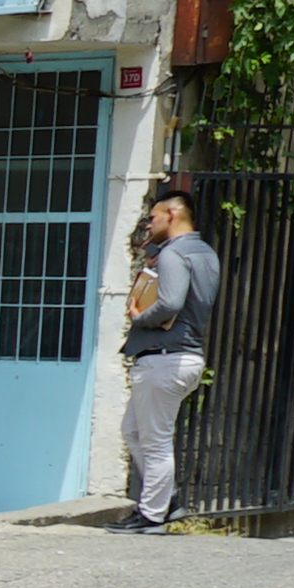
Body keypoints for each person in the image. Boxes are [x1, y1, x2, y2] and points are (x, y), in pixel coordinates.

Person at [116, 183, 219, 535]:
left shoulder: (175, 254)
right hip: (184, 357)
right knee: (133, 431)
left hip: (165, 358)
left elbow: (171, 303)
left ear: (172, 214)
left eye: (154, 216)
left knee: (155, 440)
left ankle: (152, 515)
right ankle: (165, 499)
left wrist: (138, 316)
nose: (149, 222)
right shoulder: (204, 253)